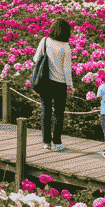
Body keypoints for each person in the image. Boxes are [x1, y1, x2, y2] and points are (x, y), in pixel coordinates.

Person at [33, 18, 74, 152]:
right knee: (58, 113)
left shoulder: (45, 41)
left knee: (45, 111)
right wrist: (70, 85)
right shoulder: (66, 47)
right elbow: (67, 69)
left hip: (46, 82)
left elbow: (36, 58)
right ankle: (57, 142)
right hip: (60, 84)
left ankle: (46, 142)